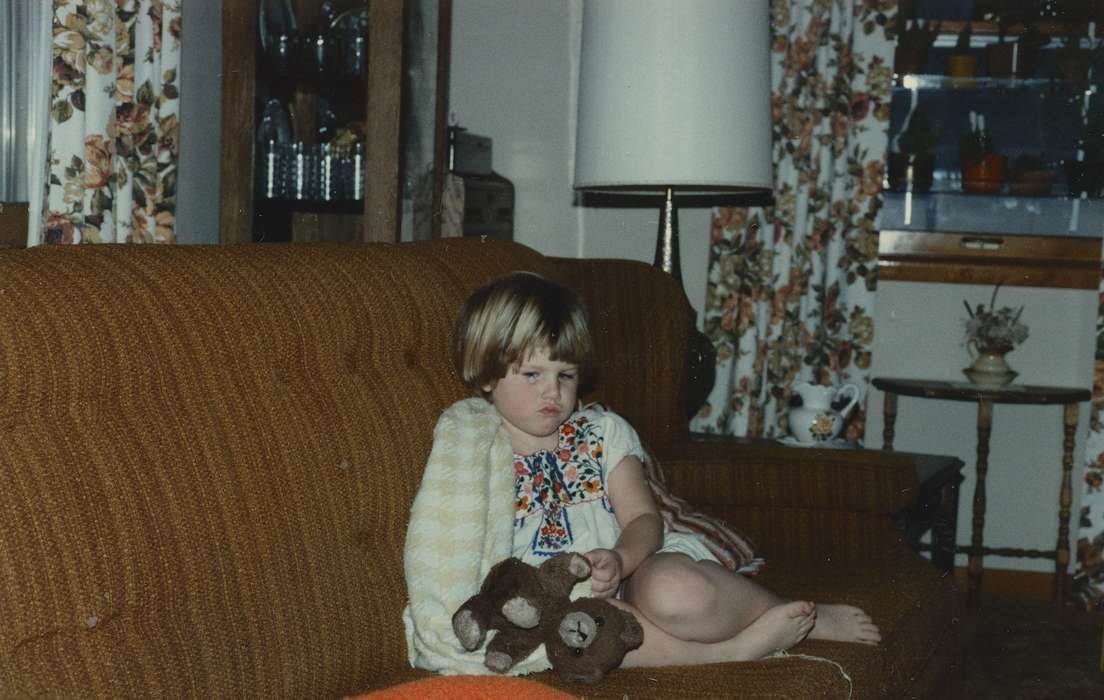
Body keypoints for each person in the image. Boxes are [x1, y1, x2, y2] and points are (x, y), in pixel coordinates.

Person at [430, 271, 881, 669]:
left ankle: (801, 615)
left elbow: (644, 519)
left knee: (674, 588)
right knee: (580, 629)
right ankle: (729, 654)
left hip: (633, 576)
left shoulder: (602, 433)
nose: (554, 391)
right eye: (532, 375)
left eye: (566, 375)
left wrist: (623, 558)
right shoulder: (473, 448)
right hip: (555, 605)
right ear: (486, 375)